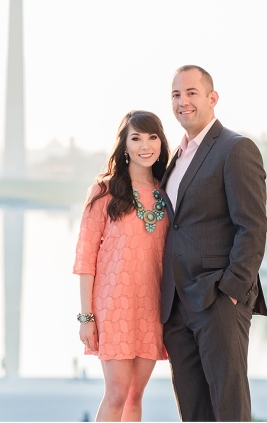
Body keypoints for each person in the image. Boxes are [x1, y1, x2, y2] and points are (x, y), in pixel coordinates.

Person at [159, 65, 267, 422]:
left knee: (229, 410)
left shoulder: (235, 149)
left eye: (191, 92)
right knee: (194, 413)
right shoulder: (175, 158)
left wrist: (231, 291)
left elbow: (252, 227)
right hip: (177, 308)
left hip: (217, 301)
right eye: (176, 94)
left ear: (212, 98)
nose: (183, 101)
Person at [73, 110, 172, 422]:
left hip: (151, 306)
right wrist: (86, 317)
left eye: (152, 137)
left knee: (134, 395)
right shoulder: (103, 191)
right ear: (125, 145)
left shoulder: (167, 191)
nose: (145, 145)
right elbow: (85, 259)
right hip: (113, 306)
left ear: (160, 142)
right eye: (136, 138)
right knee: (117, 393)